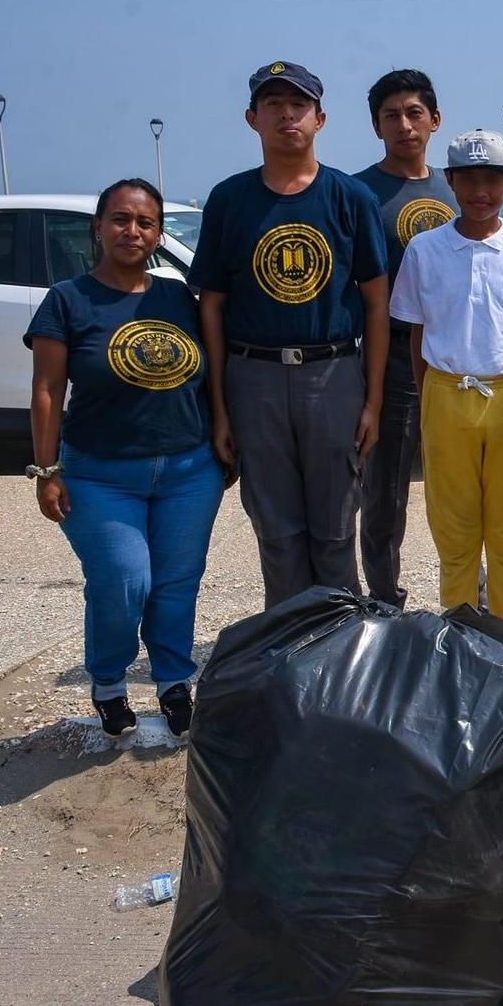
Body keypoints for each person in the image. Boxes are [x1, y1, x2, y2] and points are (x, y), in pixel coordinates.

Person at [25, 180, 223, 737]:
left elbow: (212, 374)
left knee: (178, 581)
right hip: (100, 475)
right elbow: (46, 390)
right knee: (123, 580)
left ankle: (173, 681)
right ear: (98, 226)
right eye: (119, 219)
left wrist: (223, 439)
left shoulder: (178, 297)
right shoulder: (68, 299)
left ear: (158, 234)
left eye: (144, 223)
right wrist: (46, 470)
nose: (131, 231)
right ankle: (110, 681)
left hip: (189, 470)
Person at [191, 61, 389, 609]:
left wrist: (371, 400)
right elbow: (211, 304)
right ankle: (287, 654)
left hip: (332, 375)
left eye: (297, 104)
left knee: (333, 526)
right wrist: (222, 407)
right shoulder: (230, 200)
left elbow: (376, 302)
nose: (286, 114)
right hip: (253, 376)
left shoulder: (351, 199)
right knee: (275, 530)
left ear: (320, 118)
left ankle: (341, 650)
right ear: (251, 118)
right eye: (273, 104)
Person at [390, 129, 503, 624]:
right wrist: (428, 399)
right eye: (468, 180)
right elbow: (415, 334)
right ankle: (460, 637)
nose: (480, 192)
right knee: (455, 531)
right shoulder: (425, 249)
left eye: (493, 180)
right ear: (451, 181)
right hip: (446, 391)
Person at [354, 69, 456, 608]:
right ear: (376, 127)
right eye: (391, 115)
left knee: (460, 482)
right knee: (386, 488)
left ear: (434, 121)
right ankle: (384, 596)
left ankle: (468, 594)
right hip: (391, 356)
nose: (404, 124)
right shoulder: (357, 191)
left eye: (414, 113)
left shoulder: (457, 187)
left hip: (456, 357)